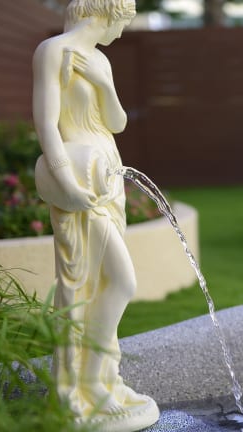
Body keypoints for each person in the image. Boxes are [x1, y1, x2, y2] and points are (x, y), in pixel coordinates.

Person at [32, 0, 159, 427]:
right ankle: (86, 385)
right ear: (105, 15)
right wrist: (65, 183)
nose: (122, 32)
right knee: (114, 281)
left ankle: (105, 380)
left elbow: (117, 122)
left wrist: (102, 83)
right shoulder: (53, 51)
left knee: (106, 282)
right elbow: (47, 126)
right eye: (122, 23)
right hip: (80, 179)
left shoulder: (100, 60)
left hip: (108, 175)